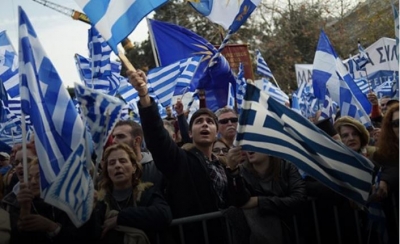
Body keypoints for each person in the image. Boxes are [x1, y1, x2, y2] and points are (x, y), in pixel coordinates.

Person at [127, 69, 251, 244]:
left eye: (210, 122)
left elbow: (240, 200)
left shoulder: (223, 165)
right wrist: (144, 96)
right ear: (190, 134)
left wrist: (233, 170)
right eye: (198, 122)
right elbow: (157, 137)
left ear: (216, 133)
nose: (205, 125)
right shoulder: (180, 160)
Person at [94, 143, 172, 244]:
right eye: (112, 163)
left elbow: (164, 214)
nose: (117, 166)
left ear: (134, 167)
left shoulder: (146, 192)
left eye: (123, 161)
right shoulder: (100, 201)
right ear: (107, 170)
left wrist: (120, 218)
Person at [9, 159, 97, 243]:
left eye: (39, 176)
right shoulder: (22, 203)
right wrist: (24, 210)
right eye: (29, 177)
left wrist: (53, 228)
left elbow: (86, 238)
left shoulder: (77, 205)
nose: (33, 182)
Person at [239, 151, 307, 244]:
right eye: (247, 144)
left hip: (293, 231)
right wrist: (232, 172)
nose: (250, 150)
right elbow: (238, 201)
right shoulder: (241, 171)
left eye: (255, 142)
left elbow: (299, 198)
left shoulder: (287, 166)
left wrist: (259, 201)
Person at [371, 104, 399, 244]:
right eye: (396, 123)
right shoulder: (381, 155)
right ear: (390, 128)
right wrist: (382, 181)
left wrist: (387, 179)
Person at [112, 120, 163, 192]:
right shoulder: (109, 171)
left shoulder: (157, 170)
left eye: (120, 136)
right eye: (113, 137)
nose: (114, 141)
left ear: (136, 141)